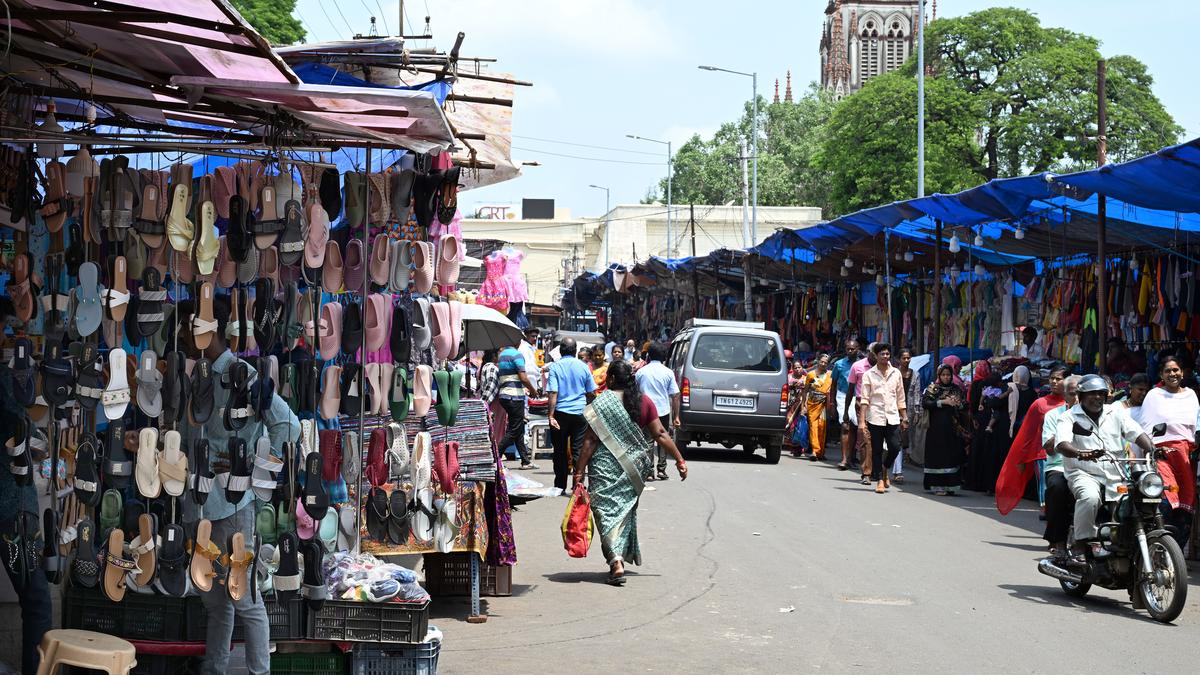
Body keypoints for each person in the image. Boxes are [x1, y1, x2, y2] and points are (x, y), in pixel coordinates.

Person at [177, 295, 300, 675]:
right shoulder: (197, 375)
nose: (179, 335)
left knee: (244, 598)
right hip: (197, 502)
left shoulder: (242, 376)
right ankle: (214, 668)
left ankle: (258, 673)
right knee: (215, 601)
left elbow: (288, 425)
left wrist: (259, 468)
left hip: (232, 505)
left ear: (205, 328)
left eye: (184, 326)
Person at [573, 360, 687, 585]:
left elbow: (590, 440)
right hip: (633, 469)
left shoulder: (601, 403)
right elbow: (660, 434)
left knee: (605, 513)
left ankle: (615, 559)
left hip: (603, 468)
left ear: (612, 379)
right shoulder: (644, 402)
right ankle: (618, 558)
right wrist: (679, 459)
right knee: (624, 512)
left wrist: (579, 472)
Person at [0, 302, 51, 675]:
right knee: (36, 599)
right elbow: (21, 432)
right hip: (13, 504)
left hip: (13, 504)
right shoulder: (8, 378)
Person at [1055, 374, 1154, 562]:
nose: (1097, 397)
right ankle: (1080, 544)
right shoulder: (1069, 417)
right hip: (1083, 472)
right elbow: (1061, 444)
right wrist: (1080, 453)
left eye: (1101, 393)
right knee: (1090, 496)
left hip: (1116, 473)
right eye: (1092, 394)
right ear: (1081, 396)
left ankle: (1127, 543)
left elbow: (1136, 432)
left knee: (1140, 499)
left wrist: (1153, 449)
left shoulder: (1115, 413)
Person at [1136, 356, 1198, 548]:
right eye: (1168, 371)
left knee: (1187, 504)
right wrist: (1153, 450)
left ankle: (1176, 552)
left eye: (1176, 370)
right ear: (1161, 374)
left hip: (1187, 455)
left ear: (1182, 372)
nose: (1173, 374)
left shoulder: (1191, 395)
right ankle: (1159, 546)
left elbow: (1196, 426)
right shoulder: (1154, 395)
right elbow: (1145, 428)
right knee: (1166, 501)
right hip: (1162, 454)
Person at [996, 365, 1068, 518]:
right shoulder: (1039, 404)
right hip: (1042, 452)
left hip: (1068, 452)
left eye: (1059, 379)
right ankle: (1046, 508)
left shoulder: (1073, 404)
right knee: (1045, 482)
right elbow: (1027, 432)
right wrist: (1022, 458)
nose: (1054, 382)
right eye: (1052, 378)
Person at [547, 337, 598, 492]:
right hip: (579, 413)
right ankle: (578, 485)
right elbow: (592, 392)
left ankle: (559, 485)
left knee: (560, 450)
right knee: (578, 450)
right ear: (575, 351)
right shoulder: (583, 367)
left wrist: (550, 415)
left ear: (561, 351)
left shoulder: (555, 367)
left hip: (560, 414)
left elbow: (553, 393)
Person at [857, 343, 907, 494]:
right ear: (875, 356)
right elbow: (864, 399)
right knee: (877, 450)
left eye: (887, 354)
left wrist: (904, 416)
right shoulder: (869, 375)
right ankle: (879, 479)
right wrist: (861, 422)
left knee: (895, 447)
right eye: (882, 354)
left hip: (892, 416)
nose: (885, 357)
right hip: (875, 417)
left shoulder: (896, 373)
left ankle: (885, 467)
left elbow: (900, 396)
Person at [1041, 373, 1079, 558]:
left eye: (1081, 393)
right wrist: (1064, 430)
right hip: (1059, 466)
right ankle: (1058, 540)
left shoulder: (1098, 414)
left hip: (1088, 467)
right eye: (1072, 394)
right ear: (1065, 395)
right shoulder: (1053, 416)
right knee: (1057, 487)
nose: (1078, 399)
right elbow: (1049, 449)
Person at [635, 342, 681, 481]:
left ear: (648, 355)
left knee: (647, 441)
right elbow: (675, 395)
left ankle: (649, 472)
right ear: (664, 357)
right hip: (662, 411)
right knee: (663, 438)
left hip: (645, 411)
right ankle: (662, 469)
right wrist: (676, 416)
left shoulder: (641, 372)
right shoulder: (668, 372)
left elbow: (635, 392)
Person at [922, 363, 969, 495]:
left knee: (951, 456)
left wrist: (958, 404)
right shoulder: (933, 388)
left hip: (952, 429)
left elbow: (965, 405)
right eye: (943, 375)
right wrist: (942, 402)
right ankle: (937, 486)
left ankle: (951, 486)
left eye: (948, 375)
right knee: (938, 456)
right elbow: (925, 403)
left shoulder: (956, 389)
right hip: (936, 429)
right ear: (939, 375)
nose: (946, 377)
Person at [497, 342, 540, 470]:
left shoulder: (502, 354)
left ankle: (525, 461)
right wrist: (533, 390)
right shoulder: (517, 355)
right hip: (514, 396)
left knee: (518, 427)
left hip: (505, 394)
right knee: (514, 429)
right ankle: (495, 457)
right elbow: (523, 377)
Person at [846, 344, 877, 484]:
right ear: (869, 353)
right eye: (875, 353)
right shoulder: (857, 366)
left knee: (878, 440)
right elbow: (850, 389)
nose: (878, 356)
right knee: (865, 438)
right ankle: (866, 472)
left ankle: (877, 470)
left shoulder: (887, 368)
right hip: (862, 405)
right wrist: (846, 411)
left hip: (880, 406)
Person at [831, 338, 861, 471]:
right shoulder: (839, 364)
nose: (850, 351)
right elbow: (833, 385)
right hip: (843, 396)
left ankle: (851, 457)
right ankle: (843, 458)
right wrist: (831, 403)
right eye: (848, 349)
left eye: (852, 349)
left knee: (855, 427)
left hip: (858, 397)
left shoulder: (862, 364)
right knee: (845, 426)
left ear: (857, 349)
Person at [799, 356, 833, 460]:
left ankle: (820, 453)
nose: (823, 364)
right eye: (822, 362)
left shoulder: (830, 375)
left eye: (825, 363)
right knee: (814, 428)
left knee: (822, 427)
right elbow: (805, 391)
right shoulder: (811, 375)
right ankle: (815, 451)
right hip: (812, 404)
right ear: (818, 362)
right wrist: (803, 406)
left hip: (823, 406)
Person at [892, 347, 915, 483]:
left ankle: (898, 470)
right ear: (898, 359)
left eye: (908, 357)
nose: (906, 360)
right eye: (904, 358)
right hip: (892, 410)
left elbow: (916, 393)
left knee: (901, 441)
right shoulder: (894, 374)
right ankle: (894, 469)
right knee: (894, 441)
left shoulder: (915, 374)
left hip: (907, 411)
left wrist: (915, 412)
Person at [784, 360, 808, 457]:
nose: (798, 369)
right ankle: (793, 446)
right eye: (795, 368)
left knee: (799, 426)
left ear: (802, 368)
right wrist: (792, 385)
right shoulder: (788, 378)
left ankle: (799, 448)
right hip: (790, 404)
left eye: (799, 367)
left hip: (801, 405)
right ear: (792, 369)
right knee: (790, 424)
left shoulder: (806, 379)